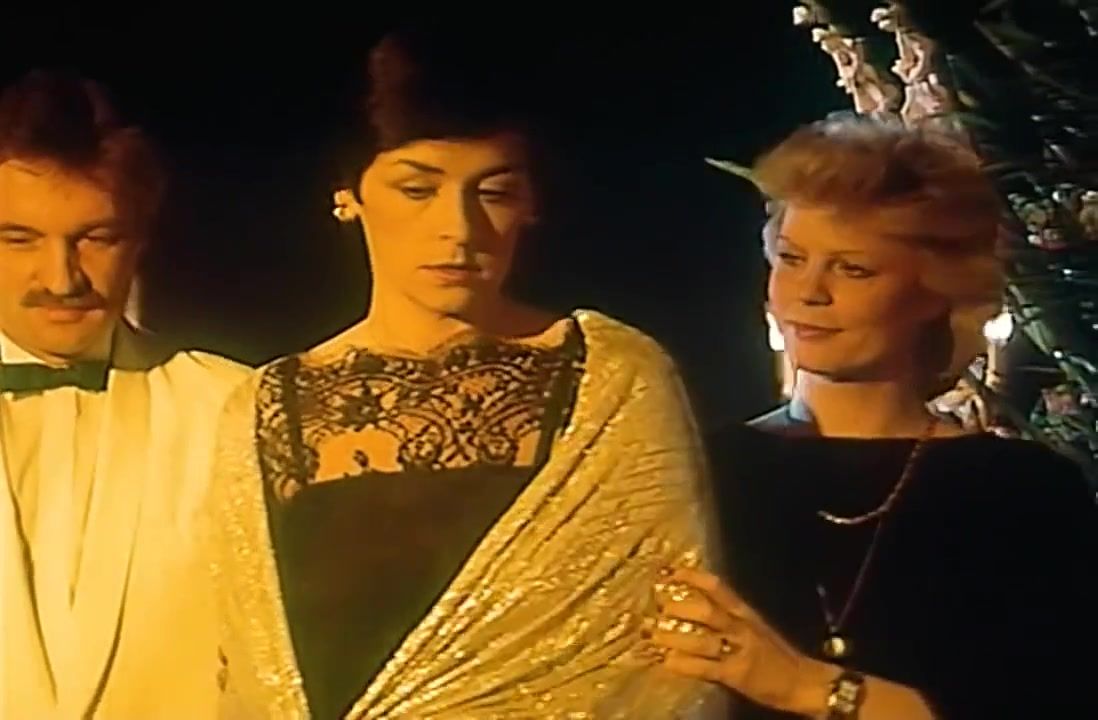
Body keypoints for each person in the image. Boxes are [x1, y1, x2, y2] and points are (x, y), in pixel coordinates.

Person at [209, 25, 724, 719]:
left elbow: (673, 650)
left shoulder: (610, 378)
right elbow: (246, 662)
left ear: (531, 204)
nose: (458, 228)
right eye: (417, 189)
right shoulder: (270, 401)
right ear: (349, 196)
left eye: (493, 193)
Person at [649, 114, 1098, 718]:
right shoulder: (697, 472)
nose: (808, 292)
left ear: (933, 291)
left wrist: (804, 686)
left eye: (852, 268)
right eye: (791, 258)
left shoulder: (1020, 494)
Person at [0, 70, 251, 718]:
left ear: (139, 242)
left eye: (96, 238)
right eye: (18, 238)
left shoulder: (233, 410)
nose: (62, 279)